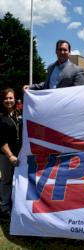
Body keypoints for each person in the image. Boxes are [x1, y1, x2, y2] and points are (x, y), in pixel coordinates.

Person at [0, 88, 22, 218]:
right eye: (6, 98)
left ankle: (16, 205)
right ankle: (4, 207)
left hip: (20, 154)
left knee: (18, 180)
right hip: (6, 155)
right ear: (2, 100)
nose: (9, 101)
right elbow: (1, 140)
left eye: (11, 98)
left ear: (15, 99)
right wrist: (10, 156)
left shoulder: (19, 113)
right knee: (6, 180)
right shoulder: (1, 116)